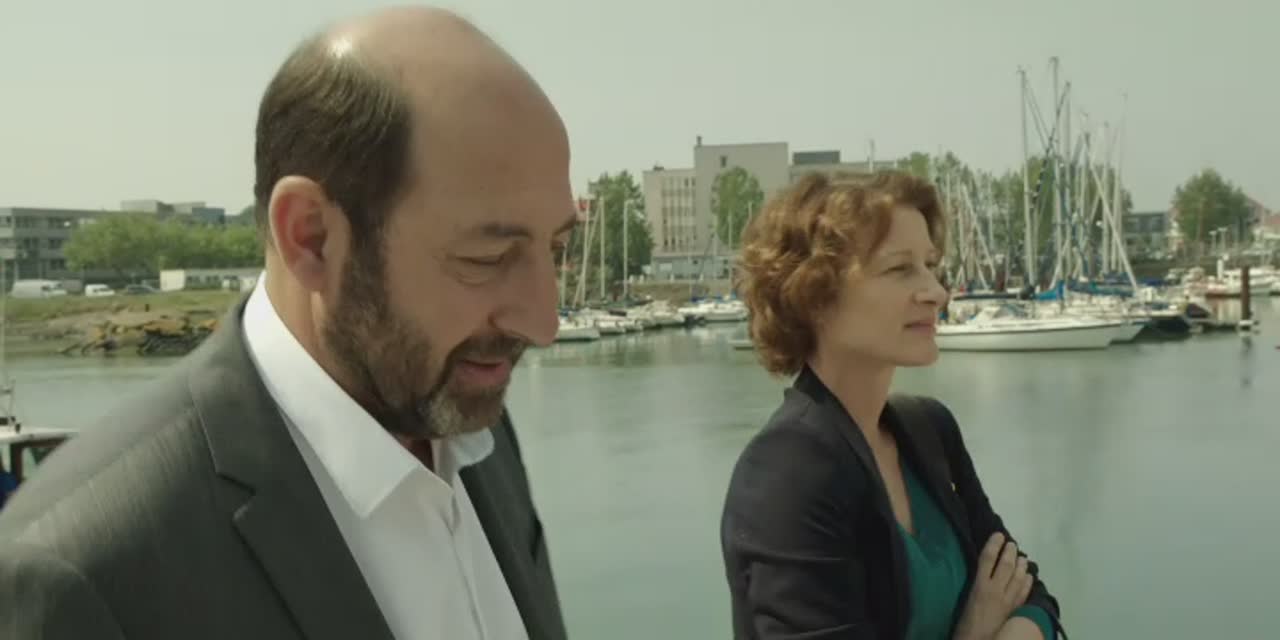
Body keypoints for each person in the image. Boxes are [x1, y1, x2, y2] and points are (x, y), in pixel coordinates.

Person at [0, 7, 574, 640]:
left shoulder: (471, 421)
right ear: (311, 237)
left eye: (556, 248)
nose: (543, 323)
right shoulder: (82, 579)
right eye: (486, 259)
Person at [720, 171, 1064, 640]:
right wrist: (972, 632)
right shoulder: (787, 475)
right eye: (901, 269)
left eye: (930, 265)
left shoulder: (930, 429)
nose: (937, 292)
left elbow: (1030, 595)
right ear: (815, 295)